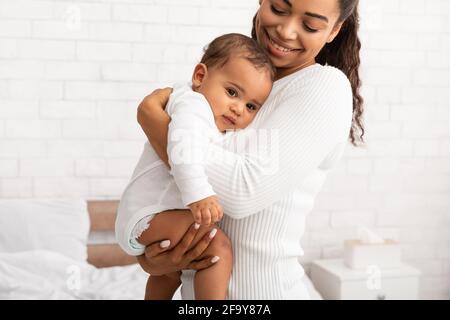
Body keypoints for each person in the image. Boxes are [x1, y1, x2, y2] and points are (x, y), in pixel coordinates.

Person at [135, 0, 364, 299]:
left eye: (310, 25)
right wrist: (156, 256)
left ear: (334, 30)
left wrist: (154, 122)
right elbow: (172, 191)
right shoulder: (240, 84)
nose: (286, 30)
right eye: (279, 9)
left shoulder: (324, 86)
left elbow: (243, 192)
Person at [115, 33, 275, 300]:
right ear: (200, 77)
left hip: (149, 214)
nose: (238, 109)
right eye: (232, 92)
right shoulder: (193, 105)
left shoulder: (213, 120)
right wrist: (199, 194)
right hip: (151, 214)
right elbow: (182, 148)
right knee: (218, 248)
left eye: (250, 106)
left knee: (168, 273)